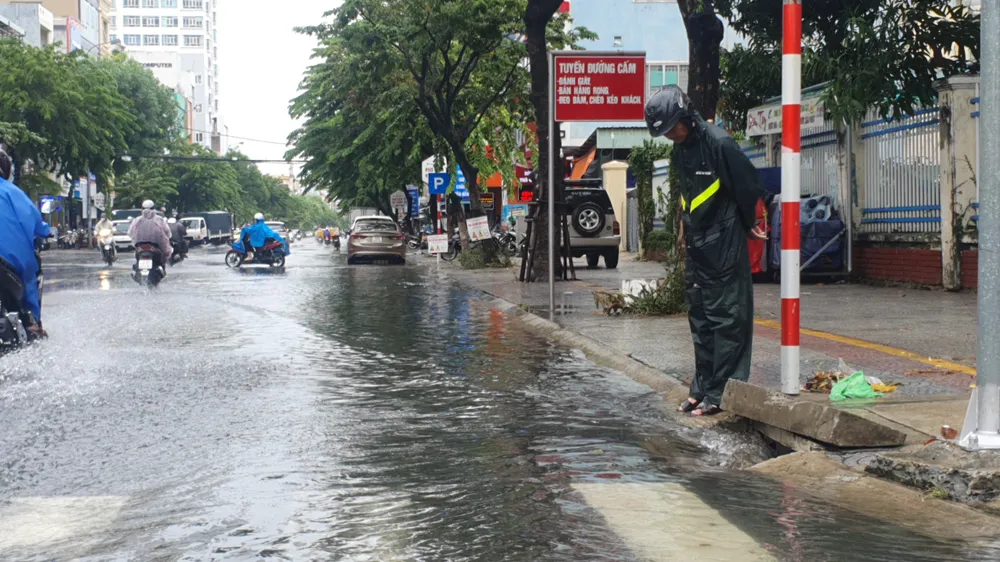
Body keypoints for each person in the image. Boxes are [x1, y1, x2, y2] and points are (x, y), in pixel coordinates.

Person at [644, 85, 767, 417]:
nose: (669, 135)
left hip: (724, 242)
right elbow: (690, 193)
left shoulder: (719, 143)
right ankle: (702, 388)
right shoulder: (682, 148)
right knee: (700, 316)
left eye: (672, 128)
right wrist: (684, 228)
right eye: (665, 132)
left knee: (726, 317)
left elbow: (746, 183)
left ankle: (722, 392)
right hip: (698, 244)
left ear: (685, 117)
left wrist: (750, 221)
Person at [0, 148, 51, 336]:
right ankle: (32, 322)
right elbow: (35, 220)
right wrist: (46, 231)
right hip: (8, 259)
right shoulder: (11, 191)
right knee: (30, 271)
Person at [128, 200, 172, 270]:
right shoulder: (159, 219)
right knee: (165, 253)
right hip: (156, 245)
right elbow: (167, 231)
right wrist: (168, 237)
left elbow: (130, 232)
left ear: (142, 208)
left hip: (140, 246)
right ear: (153, 208)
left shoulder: (137, 220)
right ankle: (162, 267)